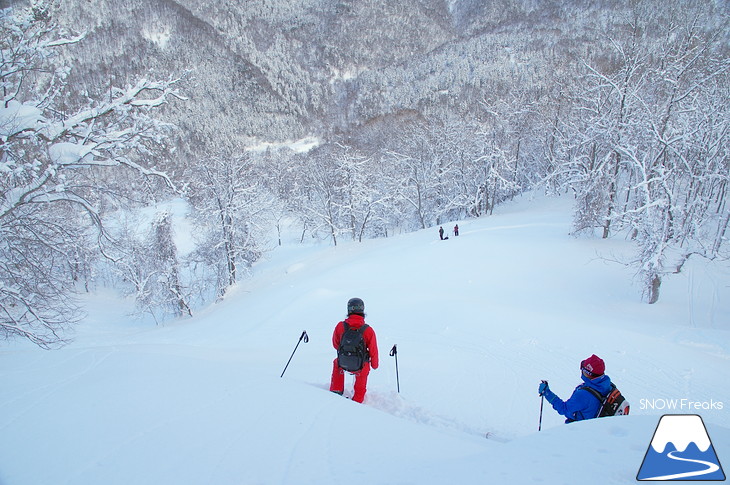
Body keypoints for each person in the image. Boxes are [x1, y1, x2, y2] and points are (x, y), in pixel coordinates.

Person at [329, 297, 379, 403]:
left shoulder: (340, 326)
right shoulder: (368, 330)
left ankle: (336, 390)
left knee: (336, 362)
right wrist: (374, 365)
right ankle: (357, 400)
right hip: (361, 366)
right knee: (363, 372)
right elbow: (373, 351)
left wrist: (347, 351)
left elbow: (335, 344)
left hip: (343, 362)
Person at [538, 354, 613, 423]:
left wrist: (547, 393)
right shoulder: (606, 385)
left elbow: (564, 409)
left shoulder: (584, 395)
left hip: (581, 429)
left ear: (587, 373)